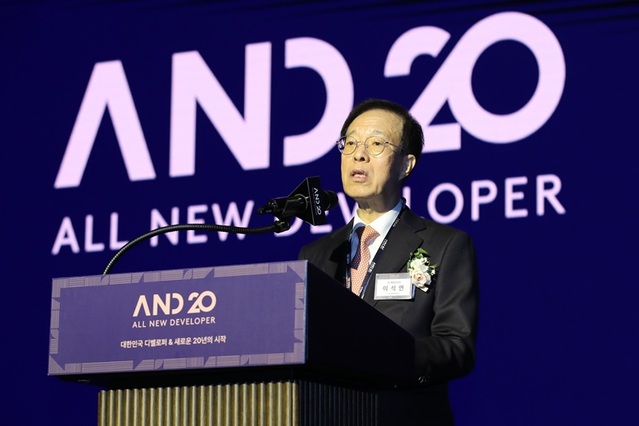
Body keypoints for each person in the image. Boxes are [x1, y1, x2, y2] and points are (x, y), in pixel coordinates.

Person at [299, 98, 479, 425]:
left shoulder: (445, 245)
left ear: (406, 165)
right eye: (350, 143)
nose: (359, 154)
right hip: (327, 413)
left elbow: (456, 347)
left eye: (376, 144)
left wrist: (385, 352)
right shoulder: (315, 255)